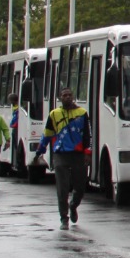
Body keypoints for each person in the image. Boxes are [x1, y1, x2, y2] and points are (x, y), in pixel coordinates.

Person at [39, 87, 89, 228]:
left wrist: (88, 152)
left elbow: (88, 135)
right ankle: (64, 218)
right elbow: (48, 133)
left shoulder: (82, 113)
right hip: (60, 154)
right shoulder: (54, 114)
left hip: (78, 154)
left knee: (80, 187)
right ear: (60, 98)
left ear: (73, 97)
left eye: (69, 95)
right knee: (62, 188)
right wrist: (41, 149)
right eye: (64, 95)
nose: (67, 97)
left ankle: (73, 205)